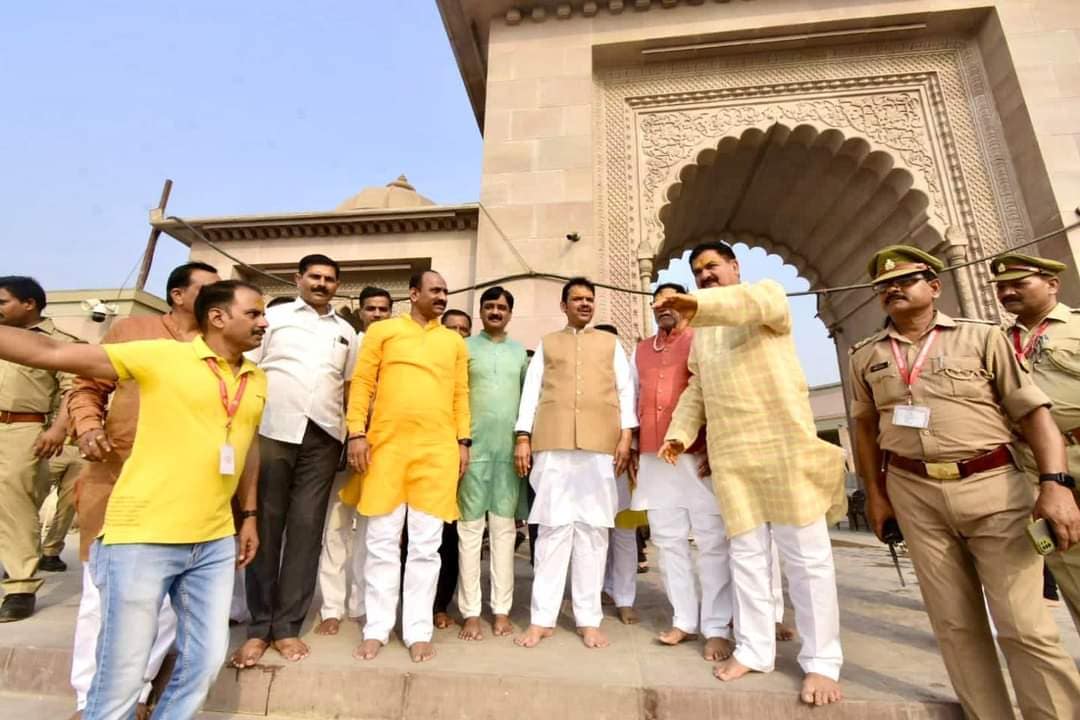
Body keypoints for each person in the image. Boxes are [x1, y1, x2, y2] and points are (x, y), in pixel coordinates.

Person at [0, 279, 267, 720]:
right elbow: (50, 355)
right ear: (218, 317)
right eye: (254, 314)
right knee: (122, 671)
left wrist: (250, 515)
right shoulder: (161, 355)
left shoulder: (256, 379)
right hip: (143, 536)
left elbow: (246, 445)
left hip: (215, 540)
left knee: (203, 664)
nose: (264, 321)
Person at [849, 245, 1080, 719]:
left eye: (906, 279)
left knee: (1024, 626)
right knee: (955, 626)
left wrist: (1054, 484)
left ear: (934, 287)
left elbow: (1033, 413)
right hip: (915, 495)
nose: (893, 288)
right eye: (883, 286)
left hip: (993, 484)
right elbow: (866, 431)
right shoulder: (865, 355)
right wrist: (876, 495)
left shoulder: (982, 338)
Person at [656, 240, 845, 707]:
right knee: (747, 556)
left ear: (734, 266)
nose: (705, 276)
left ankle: (821, 662)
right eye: (698, 272)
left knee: (805, 557)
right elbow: (697, 389)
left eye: (712, 267)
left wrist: (696, 304)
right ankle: (755, 650)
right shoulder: (703, 333)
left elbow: (748, 304)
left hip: (782, 445)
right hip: (733, 455)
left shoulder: (766, 296)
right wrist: (679, 433)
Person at [67, 262, 218, 718]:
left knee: (164, 602)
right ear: (176, 294)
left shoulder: (219, 347)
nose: (217, 298)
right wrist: (89, 427)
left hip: (185, 488)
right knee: (101, 594)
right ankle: (87, 696)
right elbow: (87, 387)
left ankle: (137, 692)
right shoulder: (133, 330)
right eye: (207, 290)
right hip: (116, 475)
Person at [232, 255, 358, 667]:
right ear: (298, 279)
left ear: (337, 285)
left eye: (329, 279)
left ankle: (286, 627)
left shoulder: (346, 332)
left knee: (306, 532)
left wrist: (349, 434)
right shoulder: (275, 318)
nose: (322, 284)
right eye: (315, 277)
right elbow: (247, 369)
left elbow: (349, 386)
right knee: (265, 526)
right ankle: (258, 627)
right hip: (272, 430)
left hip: (322, 436)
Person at [343, 270, 470, 663]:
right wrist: (356, 433)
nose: (443, 297)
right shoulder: (384, 332)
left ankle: (417, 629)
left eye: (446, 291)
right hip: (386, 448)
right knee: (381, 541)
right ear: (413, 294)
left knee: (426, 546)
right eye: (436, 290)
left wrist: (463, 441)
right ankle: (377, 628)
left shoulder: (453, 342)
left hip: (436, 451)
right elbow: (362, 382)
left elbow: (460, 393)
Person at [513, 277, 636, 650]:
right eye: (577, 299)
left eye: (589, 299)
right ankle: (542, 619)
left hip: (600, 444)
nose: (584, 304)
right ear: (563, 305)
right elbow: (531, 391)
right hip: (552, 442)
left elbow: (625, 388)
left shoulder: (610, 343)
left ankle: (588, 619)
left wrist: (627, 434)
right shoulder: (549, 344)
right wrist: (523, 435)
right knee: (552, 529)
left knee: (594, 530)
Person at [631, 283, 732, 659]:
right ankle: (684, 620)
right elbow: (631, 397)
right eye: (657, 303)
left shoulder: (703, 340)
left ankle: (717, 626)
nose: (663, 308)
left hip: (696, 452)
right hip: (654, 457)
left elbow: (716, 394)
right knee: (668, 540)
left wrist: (715, 444)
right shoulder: (641, 349)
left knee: (710, 539)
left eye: (671, 302)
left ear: (686, 306)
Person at [990, 252, 1080, 634]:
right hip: (1029, 470)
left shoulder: (1076, 327)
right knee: (1065, 562)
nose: (1007, 292)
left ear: (1052, 284)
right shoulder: (992, 341)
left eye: (1018, 284)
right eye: (1001, 287)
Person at [314, 285, 393, 637]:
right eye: (371, 309)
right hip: (342, 445)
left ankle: (360, 604)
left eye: (383, 310)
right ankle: (331, 606)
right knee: (336, 527)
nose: (377, 315)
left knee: (371, 532)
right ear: (360, 312)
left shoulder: (396, 348)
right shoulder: (347, 341)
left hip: (384, 448)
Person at [0, 276, 78, 622]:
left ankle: (20, 586)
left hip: (23, 427)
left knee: (14, 502)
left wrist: (58, 429)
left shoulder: (59, 343)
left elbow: (73, 390)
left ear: (29, 303)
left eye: (3, 302)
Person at [456, 287, 528, 641]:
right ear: (481, 312)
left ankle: (501, 610)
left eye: (502, 307)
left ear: (510, 314)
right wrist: (460, 442)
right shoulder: (464, 348)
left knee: (504, 532)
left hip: (509, 454)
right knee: (469, 533)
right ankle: (470, 612)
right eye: (490, 306)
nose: (496, 312)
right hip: (471, 451)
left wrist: (524, 443)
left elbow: (528, 405)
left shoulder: (520, 354)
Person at [593, 322, 642, 626]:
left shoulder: (628, 377)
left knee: (623, 533)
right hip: (591, 464)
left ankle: (624, 598)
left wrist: (633, 449)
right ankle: (597, 591)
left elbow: (637, 413)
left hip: (624, 462)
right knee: (596, 532)